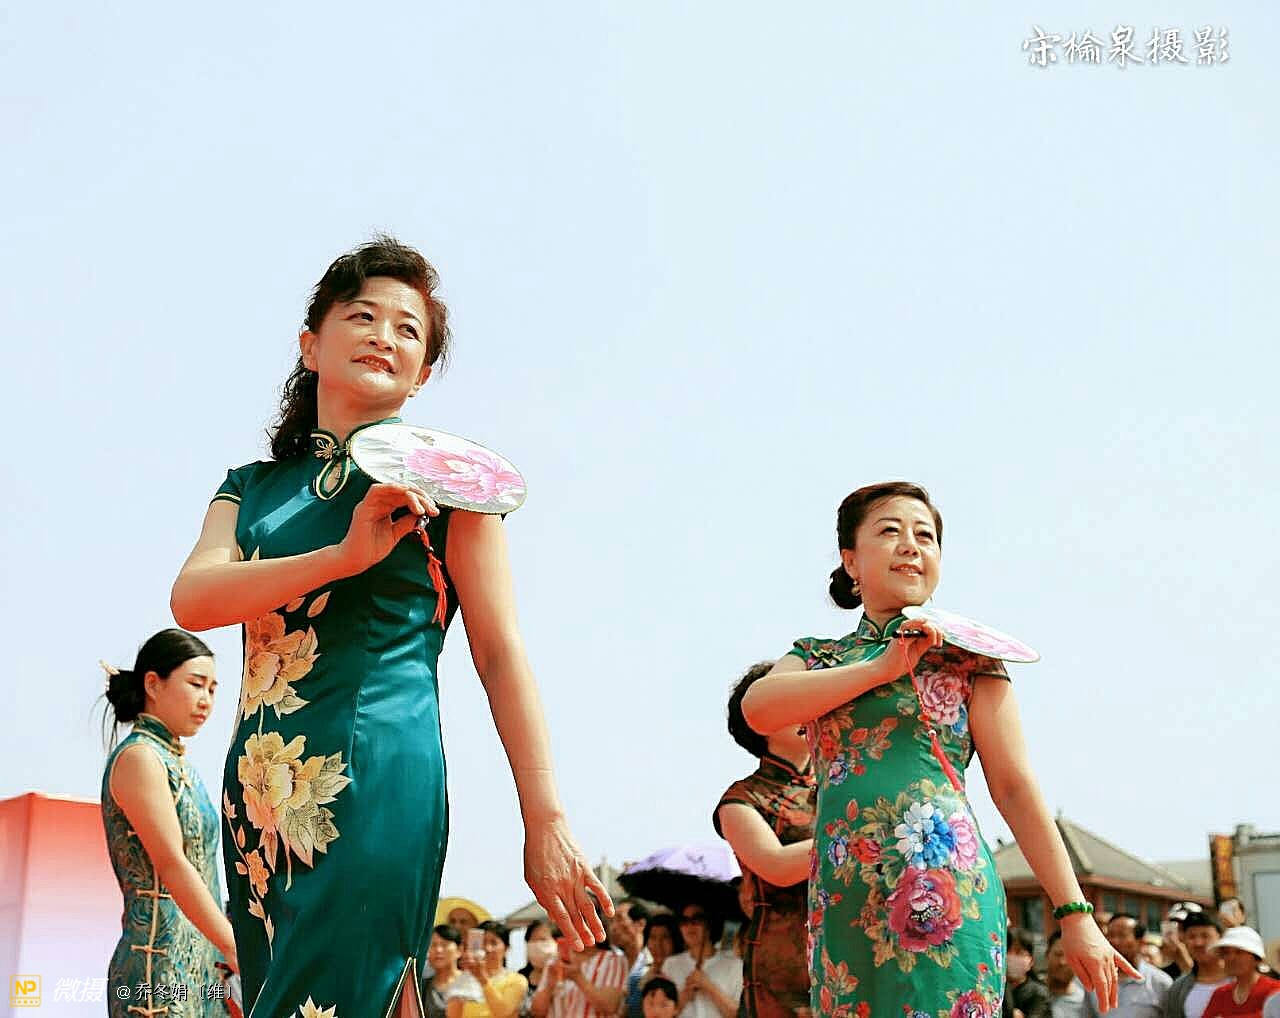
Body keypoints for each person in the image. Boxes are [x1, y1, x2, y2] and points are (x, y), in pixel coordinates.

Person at [170, 236, 611, 1018]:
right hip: (258, 793)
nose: (384, 336)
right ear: (311, 344)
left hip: (378, 774)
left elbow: (500, 654)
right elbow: (194, 599)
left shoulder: (455, 491)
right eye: (362, 316)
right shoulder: (251, 487)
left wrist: (545, 819)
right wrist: (341, 558)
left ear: (423, 374)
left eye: (409, 330)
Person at [742, 482, 1139, 1017]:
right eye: (890, 531)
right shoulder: (819, 656)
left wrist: (1075, 913)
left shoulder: (970, 658)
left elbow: (1014, 787)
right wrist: (881, 668)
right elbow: (759, 708)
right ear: (850, 560)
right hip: (845, 894)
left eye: (925, 536)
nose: (911, 545)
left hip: (947, 889)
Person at [99, 628, 237, 1015]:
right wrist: (232, 943)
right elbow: (172, 862)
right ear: (152, 684)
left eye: (212, 689)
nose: (206, 700)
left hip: (202, 972)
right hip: (156, 972)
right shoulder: (140, 758)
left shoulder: (178, 763)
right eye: (196, 684)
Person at [715, 662, 816, 1018]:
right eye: (791, 699)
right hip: (784, 973)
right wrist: (858, 836)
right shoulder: (740, 801)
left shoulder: (843, 782)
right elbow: (778, 866)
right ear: (759, 718)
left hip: (855, 951)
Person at [659, 903, 742, 1018]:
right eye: (684, 921)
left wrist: (708, 986)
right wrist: (684, 997)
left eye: (697, 919)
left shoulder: (735, 965)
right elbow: (660, 1013)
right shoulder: (670, 964)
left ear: (710, 923)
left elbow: (739, 1014)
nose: (690, 925)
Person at [1083, 914, 1172, 1016]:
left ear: (1141, 942)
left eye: (1121, 935)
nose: (1113, 941)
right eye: (1110, 935)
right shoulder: (1094, 980)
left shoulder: (1160, 983)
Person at [530, 928, 627, 1018]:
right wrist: (549, 986)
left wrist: (578, 977)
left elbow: (610, 1007)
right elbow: (536, 1012)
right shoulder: (554, 962)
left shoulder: (613, 959)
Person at [448, 921, 528, 1018]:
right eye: (483, 943)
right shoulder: (464, 979)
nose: (487, 948)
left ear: (506, 948)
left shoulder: (517, 980)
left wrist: (482, 979)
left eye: (494, 943)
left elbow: (502, 1012)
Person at [1164, 912, 1229, 1018]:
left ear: (1221, 938)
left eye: (1205, 936)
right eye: (1192, 937)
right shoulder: (1178, 989)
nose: (1198, 943)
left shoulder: (1241, 979)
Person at [1202, 927, 1279, 1017]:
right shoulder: (1220, 994)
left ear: (1256, 958)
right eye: (1226, 953)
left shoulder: (1275, 990)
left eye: (1239, 952)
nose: (1230, 958)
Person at [609, 901, 653, 1018]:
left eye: (619, 919)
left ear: (640, 924)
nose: (613, 927)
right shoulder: (609, 964)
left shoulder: (654, 965)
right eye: (612, 921)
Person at [1004, 927, 1052, 1018]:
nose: (1011, 956)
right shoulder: (997, 988)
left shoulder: (1038, 993)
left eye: (1018, 952)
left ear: (1031, 961)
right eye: (1008, 951)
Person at [424, 925, 467, 1018]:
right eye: (433, 945)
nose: (438, 950)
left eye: (444, 945)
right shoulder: (421, 986)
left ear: (459, 950)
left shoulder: (470, 983)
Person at [1046, 929, 1087, 1018]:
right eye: (1058, 954)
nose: (1063, 962)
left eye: (1070, 958)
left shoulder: (1085, 1003)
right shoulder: (1032, 994)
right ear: (1047, 954)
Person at [519, 921, 556, 1016]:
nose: (537, 945)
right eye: (533, 941)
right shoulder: (520, 977)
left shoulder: (564, 975)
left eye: (543, 940)